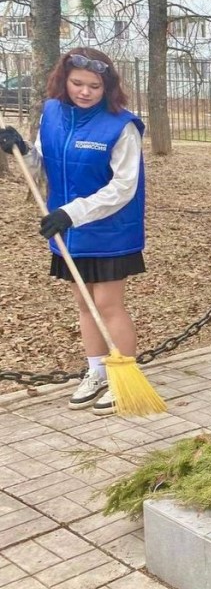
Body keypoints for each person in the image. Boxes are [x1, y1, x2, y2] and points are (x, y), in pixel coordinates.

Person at [0, 48, 146, 416]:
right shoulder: (52, 114)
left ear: (107, 86)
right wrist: (22, 151)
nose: (84, 92)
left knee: (108, 304)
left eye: (94, 86)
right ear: (64, 81)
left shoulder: (121, 125)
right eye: (77, 83)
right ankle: (96, 370)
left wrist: (71, 212)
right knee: (84, 302)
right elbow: (43, 169)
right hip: (68, 229)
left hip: (109, 230)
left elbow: (123, 188)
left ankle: (123, 375)